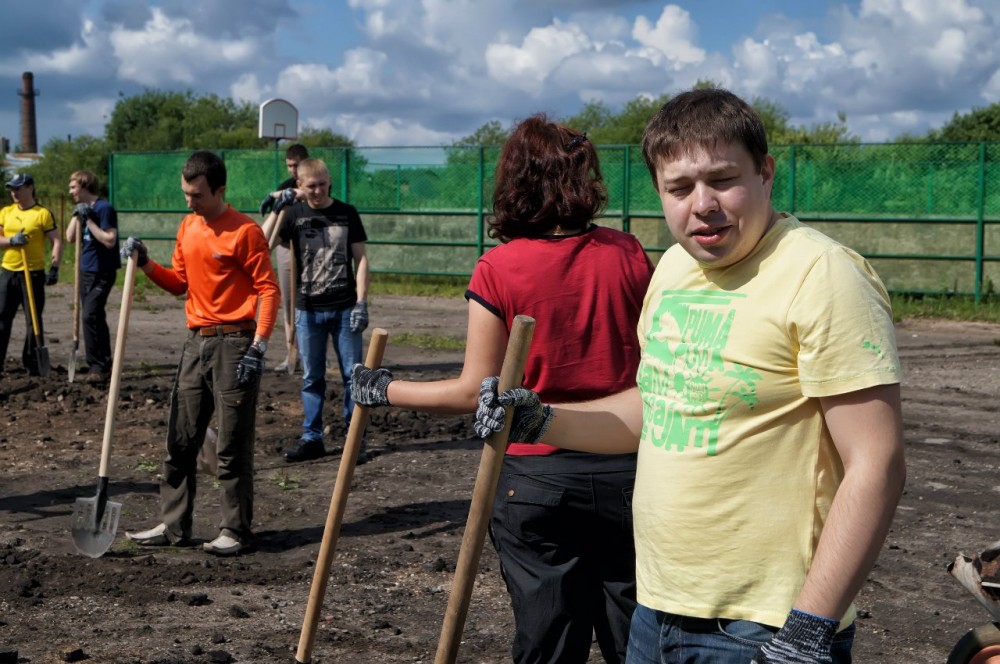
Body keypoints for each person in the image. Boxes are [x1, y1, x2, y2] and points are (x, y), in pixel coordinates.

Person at [475, 89, 907, 664]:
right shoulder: (676, 267)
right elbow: (656, 408)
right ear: (659, 191)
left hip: (766, 629)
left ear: (766, 173)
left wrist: (808, 630)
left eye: (723, 180)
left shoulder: (823, 277)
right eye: (679, 189)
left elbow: (877, 463)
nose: (702, 205)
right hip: (657, 611)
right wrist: (540, 417)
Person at [351, 114, 654, 663]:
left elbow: (475, 392)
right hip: (628, 471)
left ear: (516, 181)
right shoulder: (629, 253)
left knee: (547, 644)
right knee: (636, 641)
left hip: (537, 478)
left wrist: (385, 389)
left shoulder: (499, 269)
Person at [123, 150, 280, 556]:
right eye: (185, 193)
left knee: (231, 442)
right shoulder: (188, 227)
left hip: (235, 344)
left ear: (219, 190)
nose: (189, 202)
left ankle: (236, 530)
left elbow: (268, 289)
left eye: (196, 195)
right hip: (196, 341)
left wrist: (259, 346)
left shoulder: (245, 232)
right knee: (181, 437)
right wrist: (145, 264)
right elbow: (179, 283)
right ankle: (174, 526)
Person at [261, 157, 370, 463]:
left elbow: (360, 259)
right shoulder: (294, 213)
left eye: (323, 184)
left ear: (329, 181)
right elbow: (261, 245)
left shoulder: (346, 213)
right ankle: (312, 438)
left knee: (353, 375)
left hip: (345, 307)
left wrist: (362, 301)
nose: (319, 191)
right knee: (312, 377)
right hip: (308, 310)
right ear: (300, 186)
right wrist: (278, 208)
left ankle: (354, 438)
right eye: (312, 186)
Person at [0, 173, 62, 375]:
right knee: (2, 317)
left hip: (33, 274)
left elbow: (56, 241)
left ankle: (33, 363)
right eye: (12, 189)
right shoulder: (5, 212)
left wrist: (55, 267)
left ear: (30, 188)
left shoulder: (42, 214)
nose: (14, 193)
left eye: (18, 188)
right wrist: (11, 241)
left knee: (33, 320)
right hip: (8, 272)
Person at [65, 169, 121, 380]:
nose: (70, 191)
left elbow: (109, 240)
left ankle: (98, 365)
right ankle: (101, 362)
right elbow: (70, 237)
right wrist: (76, 216)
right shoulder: (82, 209)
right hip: (85, 271)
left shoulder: (104, 209)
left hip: (102, 272)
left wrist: (89, 221)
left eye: (73, 187)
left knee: (90, 315)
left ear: (84, 185)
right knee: (94, 316)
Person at [260, 143, 309, 373]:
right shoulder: (285, 186)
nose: (292, 170)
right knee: (289, 300)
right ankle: (291, 354)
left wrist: (288, 195)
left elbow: (312, 195)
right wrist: (275, 196)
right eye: (289, 165)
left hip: (310, 248)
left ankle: (309, 353)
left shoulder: (314, 181)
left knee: (309, 301)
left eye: (296, 165)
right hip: (286, 247)